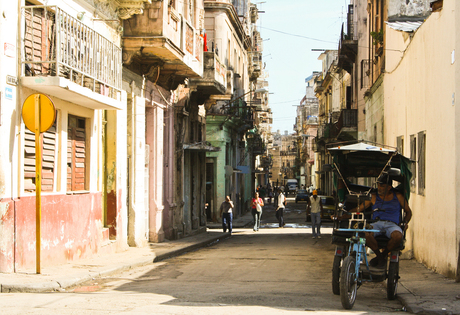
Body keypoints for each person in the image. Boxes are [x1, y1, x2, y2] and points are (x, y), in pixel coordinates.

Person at [349, 174, 412, 268]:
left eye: (382, 186)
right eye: (378, 185)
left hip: (392, 224)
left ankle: (382, 255)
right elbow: (359, 209)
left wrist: (405, 222)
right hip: (376, 223)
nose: (379, 188)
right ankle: (380, 257)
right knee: (365, 234)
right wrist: (343, 215)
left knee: (398, 236)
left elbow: (408, 212)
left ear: (389, 187)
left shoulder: (398, 196)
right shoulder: (374, 197)